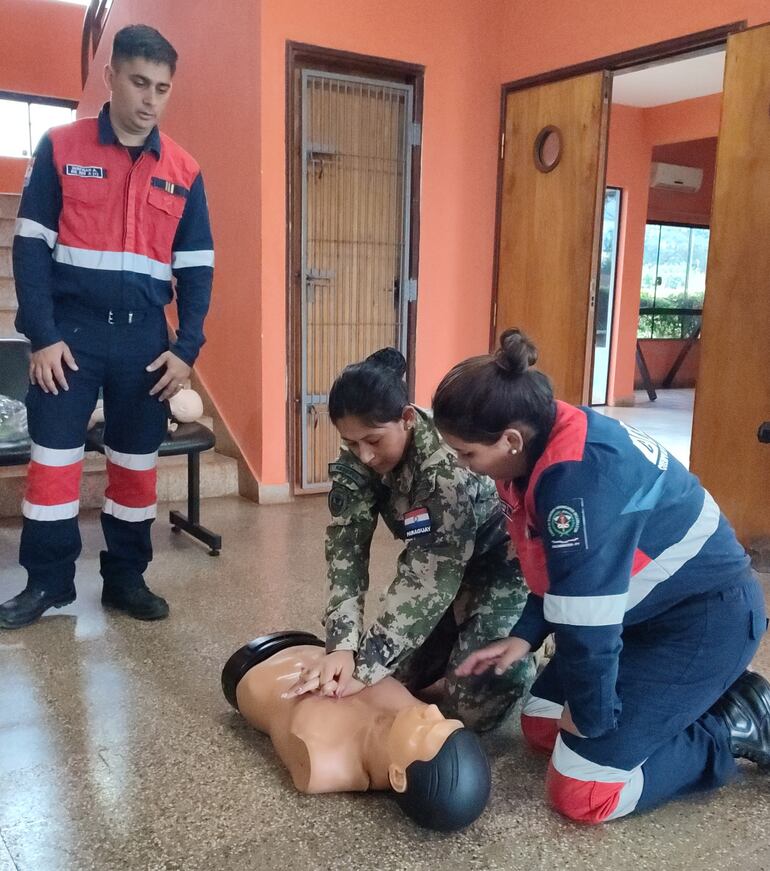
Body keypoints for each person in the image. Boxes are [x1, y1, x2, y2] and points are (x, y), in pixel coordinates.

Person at [431, 327, 770, 823]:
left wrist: (594, 714)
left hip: (703, 621)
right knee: (542, 726)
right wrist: (526, 636)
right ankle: (680, 697)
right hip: (641, 614)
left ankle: (735, 723)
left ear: (509, 440)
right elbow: (560, 578)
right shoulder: (539, 439)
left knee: (584, 792)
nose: (464, 466)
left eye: (467, 454)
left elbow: (589, 621)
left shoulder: (577, 487)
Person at [1, 25, 214, 629]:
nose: (150, 99)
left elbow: (196, 268)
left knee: (135, 466)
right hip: (70, 336)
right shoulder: (61, 147)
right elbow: (30, 247)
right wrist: (41, 334)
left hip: (146, 341)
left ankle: (125, 578)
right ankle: (47, 584)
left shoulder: (184, 170)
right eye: (139, 82)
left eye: (162, 88)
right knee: (53, 464)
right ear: (111, 77)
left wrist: (186, 348)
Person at [287, 348, 533, 732]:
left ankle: (533, 643)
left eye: (372, 441)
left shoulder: (445, 470)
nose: (364, 456)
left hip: (494, 569)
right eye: (352, 444)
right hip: (434, 568)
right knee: (390, 679)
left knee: (472, 707)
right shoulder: (358, 450)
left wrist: (364, 663)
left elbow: (430, 580)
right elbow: (346, 549)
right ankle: (453, 635)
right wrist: (342, 645)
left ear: (406, 419)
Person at [222, 631, 491, 831]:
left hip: (248, 667)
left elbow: (290, 714)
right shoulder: (414, 711)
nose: (432, 711)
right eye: (442, 719)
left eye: (427, 729)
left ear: (398, 776)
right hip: (318, 642)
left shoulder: (321, 761)